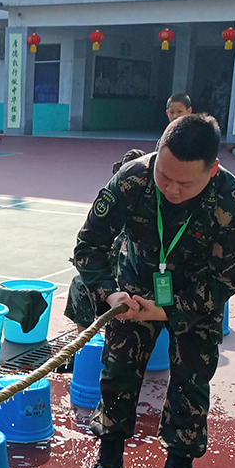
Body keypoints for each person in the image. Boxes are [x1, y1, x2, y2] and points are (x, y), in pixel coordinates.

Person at [74, 113, 235, 468]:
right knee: (118, 370)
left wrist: (167, 311)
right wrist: (110, 295)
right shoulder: (133, 179)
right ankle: (110, 457)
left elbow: (224, 282)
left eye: (184, 182)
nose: (171, 188)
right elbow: (89, 246)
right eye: (164, 175)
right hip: (135, 284)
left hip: (195, 297)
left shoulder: (232, 202)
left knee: (192, 380)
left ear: (213, 170)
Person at [64, 92, 194, 331]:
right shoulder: (125, 194)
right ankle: (84, 340)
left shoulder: (191, 166)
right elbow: (90, 245)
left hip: (174, 280)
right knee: (81, 284)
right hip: (129, 273)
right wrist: (111, 294)